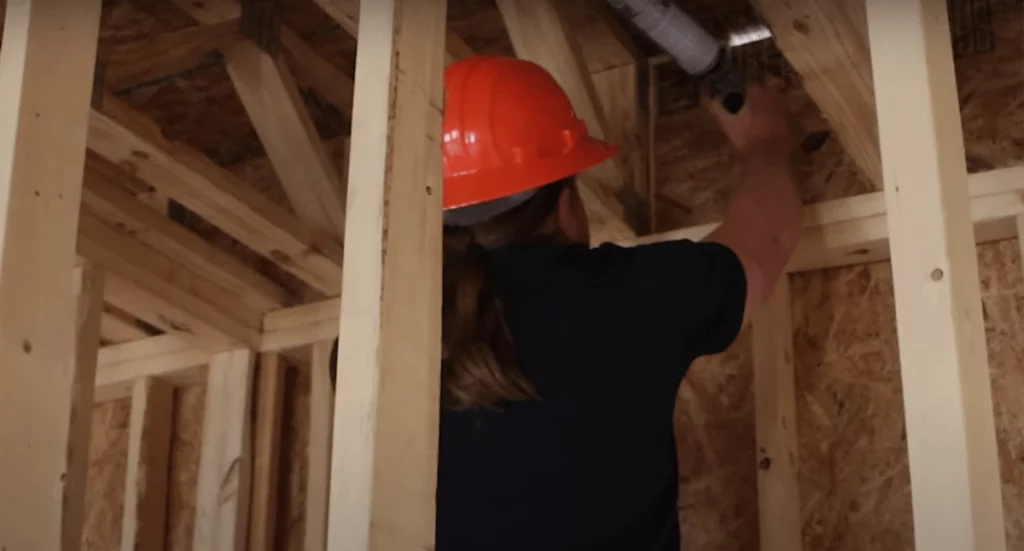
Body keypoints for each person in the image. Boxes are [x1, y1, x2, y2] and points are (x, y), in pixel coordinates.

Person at [331, 54, 801, 550]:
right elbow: (767, 238)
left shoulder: (364, 349)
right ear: (564, 200)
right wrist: (765, 144)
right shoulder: (626, 298)